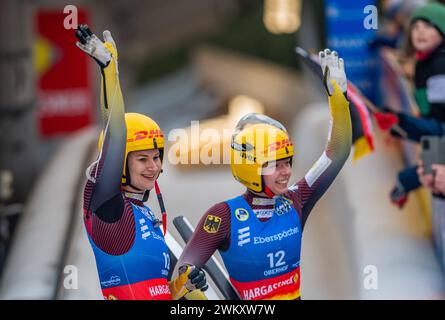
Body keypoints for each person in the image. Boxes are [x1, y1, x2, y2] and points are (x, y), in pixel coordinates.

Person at [174, 49, 352, 300]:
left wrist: (338, 99)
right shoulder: (223, 216)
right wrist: (190, 281)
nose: (286, 172)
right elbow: (180, 276)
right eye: (275, 165)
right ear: (250, 166)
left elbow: (338, 152)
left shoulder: (296, 199)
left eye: (287, 163)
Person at [76, 25, 206, 300]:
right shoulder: (106, 207)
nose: (153, 166)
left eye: (157, 158)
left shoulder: (145, 214)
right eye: (142, 159)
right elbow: (116, 133)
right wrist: (110, 73)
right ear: (119, 163)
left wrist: (185, 285)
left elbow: (162, 293)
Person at [374, 2, 445, 208]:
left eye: (428, 26)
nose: (420, 32)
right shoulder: (426, 62)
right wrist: (399, 127)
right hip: (437, 136)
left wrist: (399, 122)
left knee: (432, 169)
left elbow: (439, 129)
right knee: (430, 168)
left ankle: (404, 181)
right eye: (415, 27)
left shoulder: (440, 66)